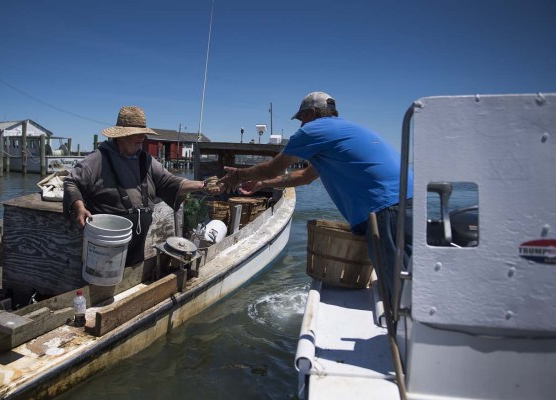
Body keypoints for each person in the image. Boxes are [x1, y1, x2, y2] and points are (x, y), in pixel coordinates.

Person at [218, 91, 413, 298]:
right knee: (410, 275)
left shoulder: (314, 130)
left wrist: (237, 175)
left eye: (302, 119)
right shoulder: (343, 131)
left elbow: (272, 168)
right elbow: (305, 176)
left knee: (399, 290)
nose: (301, 126)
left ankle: (404, 326)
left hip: (386, 207)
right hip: (408, 200)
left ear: (311, 113)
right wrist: (262, 183)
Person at [63, 105, 220, 266]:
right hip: (108, 243)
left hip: (139, 243)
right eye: (136, 134)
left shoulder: (146, 160)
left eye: (143, 133)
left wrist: (201, 185)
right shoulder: (98, 159)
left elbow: (171, 182)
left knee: (132, 276)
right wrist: (79, 208)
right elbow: (71, 182)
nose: (142, 137)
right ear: (121, 135)